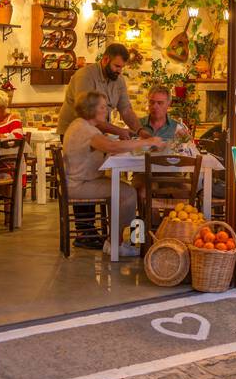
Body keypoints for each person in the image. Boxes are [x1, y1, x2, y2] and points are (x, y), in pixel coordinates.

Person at [62, 91, 163, 257]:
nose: (106, 110)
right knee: (128, 193)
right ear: (91, 109)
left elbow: (106, 147)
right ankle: (120, 244)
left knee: (125, 190)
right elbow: (111, 147)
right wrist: (148, 141)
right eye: (102, 107)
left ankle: (114, 241)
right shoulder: (86, 131)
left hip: (79, 181)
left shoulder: (80, 125)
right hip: (79, 185)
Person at [57, 43, 144, 140]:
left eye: (122, 67)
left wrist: (140, 131)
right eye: (117, 66)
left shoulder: (119, 80)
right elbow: (88, 115)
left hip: (96, 133)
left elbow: (126, 110)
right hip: (74, 133)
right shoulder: (85, 75)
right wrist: (119, 131)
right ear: (105, 60)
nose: (119, 71)